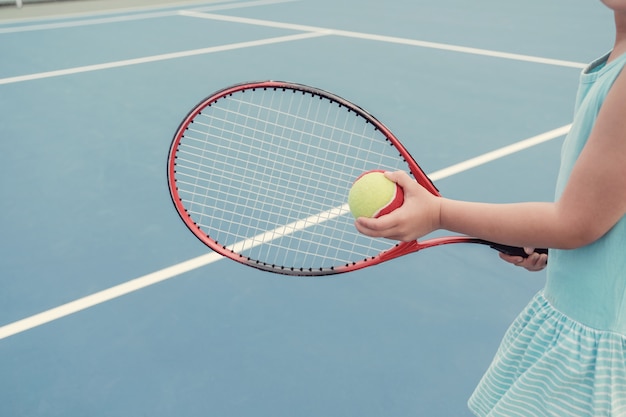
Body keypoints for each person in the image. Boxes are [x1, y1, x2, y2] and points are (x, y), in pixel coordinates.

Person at [354, 1, 626, 415]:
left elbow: (577, 222)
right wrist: (557, 245)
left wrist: (439, 214)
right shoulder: (616, 62)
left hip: (599, 352)